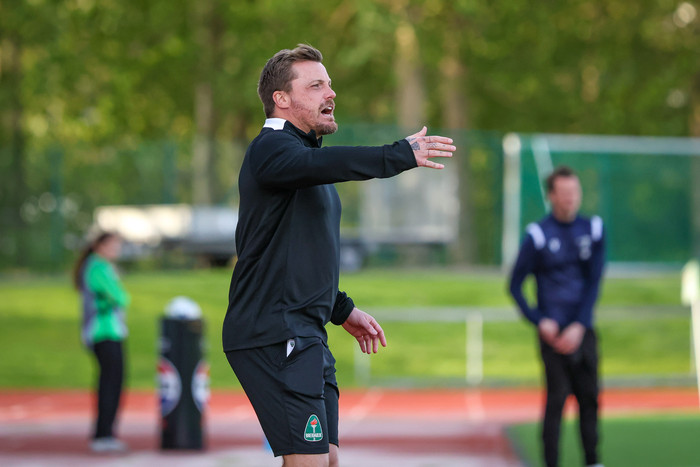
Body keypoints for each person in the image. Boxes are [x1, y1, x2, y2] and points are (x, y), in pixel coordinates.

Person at [222, 44, 456, 467]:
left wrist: (341, 308)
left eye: (329, 84)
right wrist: (397, 154)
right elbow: (328, 164)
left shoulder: (305, 160)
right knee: (309, 462)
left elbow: (297, 255)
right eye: (316, 86)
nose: (331, 93)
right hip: (274, 330)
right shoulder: (271, 148)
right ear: (281, 99)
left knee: (327, 459)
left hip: (306, 330)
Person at [509, 166, 605, 467]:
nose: (570, 198)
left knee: (589, 398)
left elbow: (594, 282)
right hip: (552, 335)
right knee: (556, 400)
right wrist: (540, 320)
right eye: (564, 193)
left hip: (583, 331)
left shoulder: (593, 229)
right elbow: (514, 285)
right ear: (551, 196)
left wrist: (580, 324)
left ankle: (593, 461)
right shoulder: (538, 235)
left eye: (574, 192)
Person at [73, 232, 130, 453]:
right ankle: (103, 434)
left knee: (113, 382)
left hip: (111, 332)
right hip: (102, 332)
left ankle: (106, 432)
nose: (116, 250)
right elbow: (120, 297)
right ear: (100, 246)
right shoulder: (97, 267)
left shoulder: (101, 267)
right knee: (110, 383)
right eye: (113, 245)